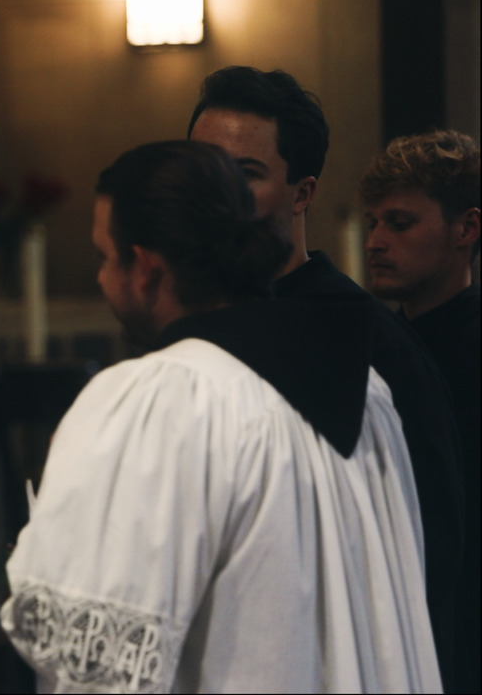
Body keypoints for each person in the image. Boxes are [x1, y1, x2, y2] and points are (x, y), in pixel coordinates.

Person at [2, 140, 440, 692]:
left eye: (104, 258)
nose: (102, 279)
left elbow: (97, 667)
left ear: (146, 267)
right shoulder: (364, 386)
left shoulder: (165, 400)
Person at [188, 65, 464, 688]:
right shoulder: (192, 324)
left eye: (245, 174)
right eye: (202, 169)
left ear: (302, 193)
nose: (215, 196)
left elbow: (430, 552)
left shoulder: (371, 343)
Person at [362, 128, 480, 693]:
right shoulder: (372, 347)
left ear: (467, 229)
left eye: (400, 223)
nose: (375, 242)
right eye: (373, 223)